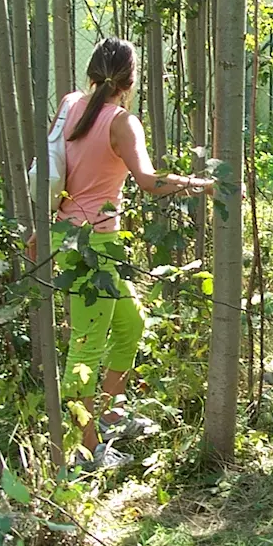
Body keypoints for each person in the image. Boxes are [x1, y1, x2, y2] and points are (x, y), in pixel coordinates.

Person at [50, 38, 214, 470]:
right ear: (131, 79)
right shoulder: (122, 122)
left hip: (68, 237)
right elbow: (149, 181)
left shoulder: (70, 104)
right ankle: (85, 451)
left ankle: (109, 416)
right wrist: (199, 184)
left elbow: (51, 167)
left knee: (131, 322)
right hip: (94, 244)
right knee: (85, 347)